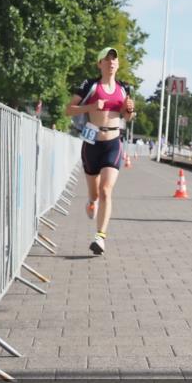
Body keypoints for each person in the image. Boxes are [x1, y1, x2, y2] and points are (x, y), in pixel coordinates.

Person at [65, 47, 135, 255]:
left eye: (114, 59)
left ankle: (100, 237)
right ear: (100, 64)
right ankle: (91, 201)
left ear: (118, 64)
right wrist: (92, 106)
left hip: (113, 142)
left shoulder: (124, 88)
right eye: (107, 59)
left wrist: (129, 111)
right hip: (92, 142)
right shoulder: (90, 85)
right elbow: (69, 110)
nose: (111, 62)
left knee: (106, 190)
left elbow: (128, 117)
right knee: (95, 194)